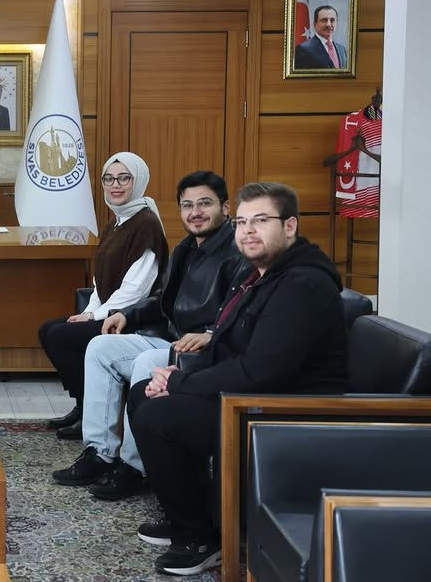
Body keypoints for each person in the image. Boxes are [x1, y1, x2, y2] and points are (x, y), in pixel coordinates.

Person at [127, 182, 347, 577]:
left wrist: (179, 384)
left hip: (285, 412)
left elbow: (259, 372)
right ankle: (192, 514)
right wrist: (179, 374)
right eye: (242, 222)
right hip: (251, 397)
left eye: (260, 221)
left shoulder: (302, 285)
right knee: (142, 394)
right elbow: (233, 350)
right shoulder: (263, 274)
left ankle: (200, 537)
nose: (248, 231)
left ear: (290, 226)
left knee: (157, 416)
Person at [52, 170, 245, 501]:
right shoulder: (186, 248)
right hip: (171, 339)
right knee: (100, 347)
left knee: (146, 362)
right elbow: (162, 298)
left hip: (207, 348)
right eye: (187, 205)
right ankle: (100, 453)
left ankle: (135, 466)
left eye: (205, 203)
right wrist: (126, 314)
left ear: (226, 208)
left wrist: (211, 333)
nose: (195, 212)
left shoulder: (239, 251)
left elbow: (241, 306)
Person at [40, 152, 169, 441]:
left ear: (138, 181)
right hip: (108, 312)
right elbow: (101, 281)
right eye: (109, 179)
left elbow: (136, 289)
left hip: (131, 319)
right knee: (47, 329)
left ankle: (90, 411)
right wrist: (89, 311)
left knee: (61, 336)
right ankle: (83, 405)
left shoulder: (146, 224)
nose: (115, 185)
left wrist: (95, 316)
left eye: (124, 178)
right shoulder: (117, 221)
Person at [294, 5, 348, 69]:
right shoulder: (303, 49)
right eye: (324, 20)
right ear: (315, 24)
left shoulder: (342, 49)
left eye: (332, 20)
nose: (328, 24)